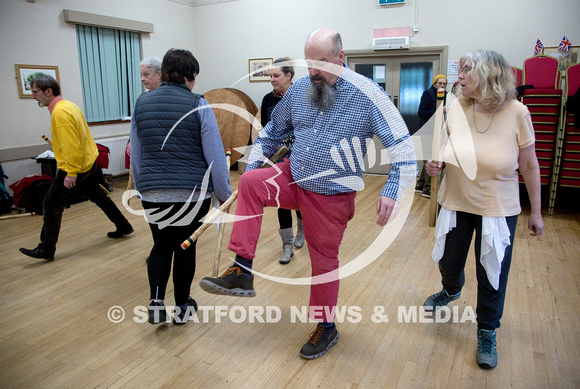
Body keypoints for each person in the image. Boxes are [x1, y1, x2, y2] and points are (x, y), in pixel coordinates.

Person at [200, 28, 417, 359]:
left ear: (341, 58)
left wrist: (391, 187)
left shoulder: (369, 95)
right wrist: (256, 160)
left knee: (323, 262)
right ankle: (242, 269)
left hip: (331, 194)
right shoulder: (301, 88)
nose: (313, 70)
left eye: (322, 62)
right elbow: (274, 130)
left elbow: (403, 148)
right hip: (294, 176)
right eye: (308, 62)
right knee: (251, 182)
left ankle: (326, 328)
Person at [422, 50, 544, 369]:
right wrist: (435, 163)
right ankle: (451, 289)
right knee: (449, 262)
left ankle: (487, 331)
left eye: (465, 71)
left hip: (497, 207)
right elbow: (443, 151)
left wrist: (537, 212)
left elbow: (530, 166)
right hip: (455, 200)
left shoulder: (517, 113)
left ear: (487, 75)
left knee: (492, 274)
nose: (458, 77)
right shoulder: (455, 109)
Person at [131, 48, 231, 325]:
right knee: (185, 248)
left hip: (153, 191)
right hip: (191, 193)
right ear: (190, 75)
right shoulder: (198, 104)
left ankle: (156, 301)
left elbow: (136, 155)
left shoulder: (141, 104)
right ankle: (183, 307)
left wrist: (144, 189)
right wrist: (224, 195)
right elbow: (215, 157)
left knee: (160, 246)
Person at [19, 75, 134, 261]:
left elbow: (71, 146)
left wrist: (71, 173)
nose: (33, 97)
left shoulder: (60, 112)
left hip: (75, 167)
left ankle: (46, 249)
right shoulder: (68, 105)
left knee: (51, 204)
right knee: (98, 196)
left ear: (49, 91)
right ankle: (124, 226)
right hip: (87, 163)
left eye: (35, 92)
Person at [260, 57, 304, 264]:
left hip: (300, 156)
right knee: (280, 198)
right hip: (277, 158)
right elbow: (266, 130)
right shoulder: (268, 100)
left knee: (300, 195)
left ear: (288, 75)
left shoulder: (303, 97)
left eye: (276, 75)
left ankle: (302, 229)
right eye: (270, 76)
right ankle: (286, 244)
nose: (272, 79)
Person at [126, 57, 162, 170]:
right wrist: (130, 141)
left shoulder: (168, 97)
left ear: (159, 74)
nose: (142, 79)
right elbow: (136, 125)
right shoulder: (141, 100)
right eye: (141, 75)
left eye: (146, 74)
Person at [415, 74, 447, 198]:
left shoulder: (446, 95)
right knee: (431, 157)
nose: (442, 86)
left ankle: (421, 184)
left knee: (429, 157)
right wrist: (439, 110)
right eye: (440, 83)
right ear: (434, 84)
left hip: (438, 131)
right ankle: (428, 189)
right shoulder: (428, 94)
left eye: (444, 83)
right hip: (427, 131)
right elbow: (421, 112)